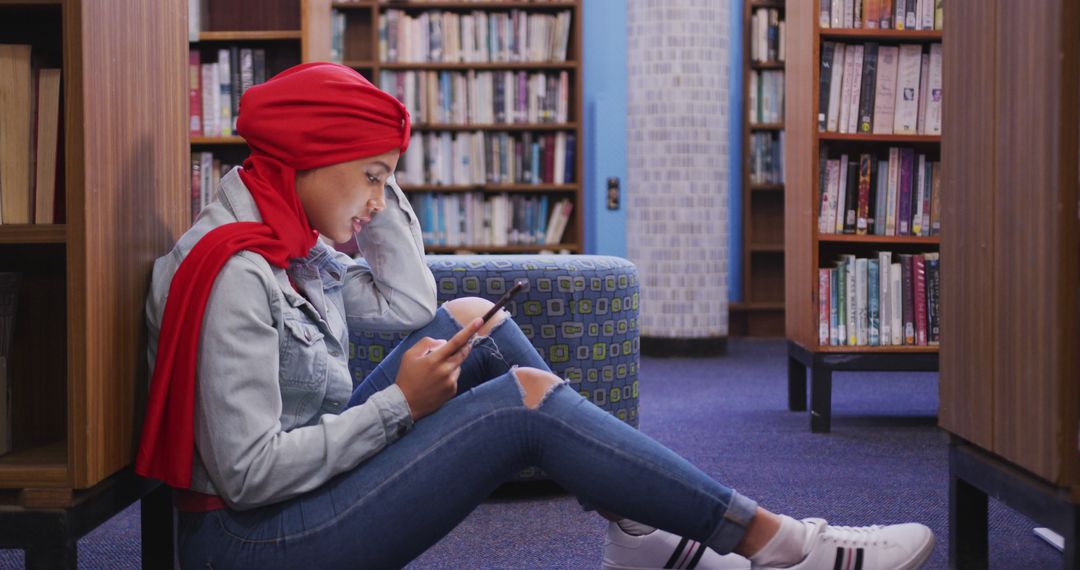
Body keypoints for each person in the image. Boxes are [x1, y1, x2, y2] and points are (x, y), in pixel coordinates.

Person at [135, 63, 934, 570]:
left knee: (473, 318)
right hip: (253, 544)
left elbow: (409, 302)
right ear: (308, 162)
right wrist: (397, 407)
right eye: (373, 176)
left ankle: (643, 535)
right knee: (524, 400)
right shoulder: (239, 269)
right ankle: (779, 545)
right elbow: (247, 477)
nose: (381, 198)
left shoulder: (283, 236)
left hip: (292, 500)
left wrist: (366, 194)